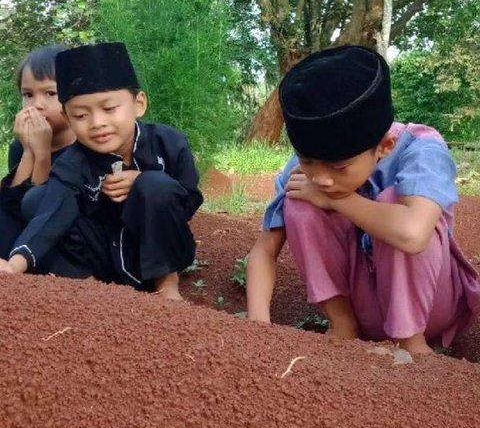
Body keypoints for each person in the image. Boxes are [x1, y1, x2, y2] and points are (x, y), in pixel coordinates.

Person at [246, 45, 480, 355]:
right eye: (307, 160)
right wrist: (256, 326)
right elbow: (264, 250)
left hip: (431, 305)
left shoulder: (421, 149)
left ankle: (410, 343)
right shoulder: (314, 164)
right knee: (300, 199)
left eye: (339, 167)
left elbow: (412, 233)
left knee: (394, 201)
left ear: (385, 146)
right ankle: (343, 326)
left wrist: (337, 201)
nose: (322, 177)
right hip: (365, 304)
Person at [0, 41, 203, 300]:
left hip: (154, 248)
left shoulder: (170, 143)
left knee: (155, 185)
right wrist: (16, 263)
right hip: (103, 254)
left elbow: (190, 200)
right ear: (69, 116)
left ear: (139, 104)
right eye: (82, 115)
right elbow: (50, 212)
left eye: (109, 109)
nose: (97, 123)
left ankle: (166, 284)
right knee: (40, 200)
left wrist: (146, 183)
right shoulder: (74, 162)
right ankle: (97, 293)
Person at [0, 45, 75, 259]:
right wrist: (28, 152)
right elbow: (12, 208)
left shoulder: (85, 147)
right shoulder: (20, 145)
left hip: (65, 238)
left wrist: (43, 153)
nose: (37, 105)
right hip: (21, 234)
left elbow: (41, 207)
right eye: (28, 94)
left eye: (50, 93)